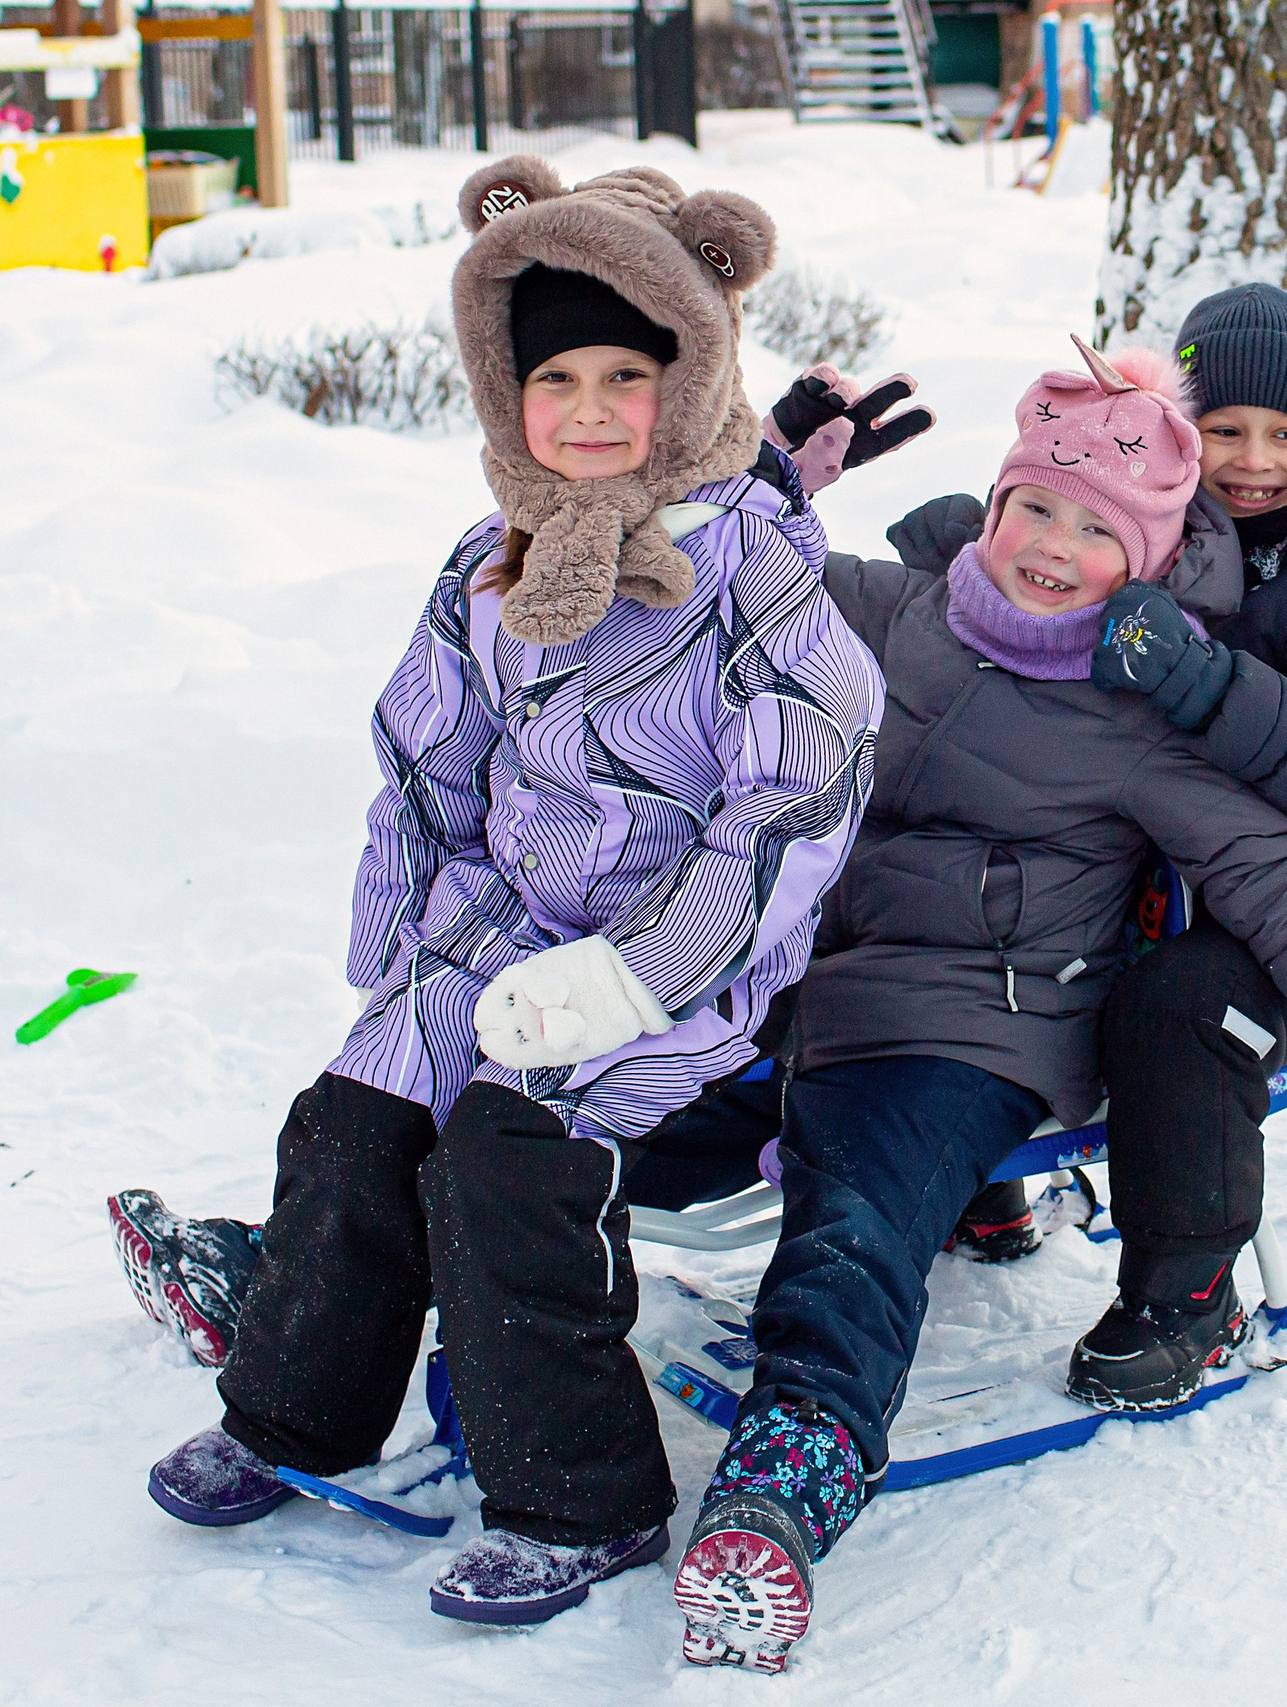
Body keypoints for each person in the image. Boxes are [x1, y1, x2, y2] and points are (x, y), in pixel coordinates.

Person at [666, 337, 1287, 1674]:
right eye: (1032, 505)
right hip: (787, 982)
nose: (1050, 544)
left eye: (1097, 527)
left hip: (966, 1023)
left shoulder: (1148, 718)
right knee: (581, 1099)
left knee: (853, 1209)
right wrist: (768, 476)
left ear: (1148, 560)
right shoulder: (900, 608)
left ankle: (787, 1473)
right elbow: (718, 575)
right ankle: (334, 1263)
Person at [134, 155, 885, 1631]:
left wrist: (632, 975)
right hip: (500, 932)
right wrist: (413, 940)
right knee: (354, 1119)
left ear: (694, 372)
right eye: (557, 377)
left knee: (508, 1156)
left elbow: (796, 792)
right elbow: (427, 752)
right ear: (502, 386)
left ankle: (578, 1494)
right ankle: (293, 1407)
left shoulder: (756, 570)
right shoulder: (489, 566)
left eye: (629, 372)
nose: (594, 409)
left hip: (688, 967)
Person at [876, 283, 1287, 1408]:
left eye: (1286, 435)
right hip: (1128, 859)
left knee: (1175, 1008)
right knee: (966, 927)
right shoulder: (1152, 519)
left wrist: (1204, 678)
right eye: (1225, 430)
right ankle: (969, 1181)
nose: (1251, 461)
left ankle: (1187, 1296)